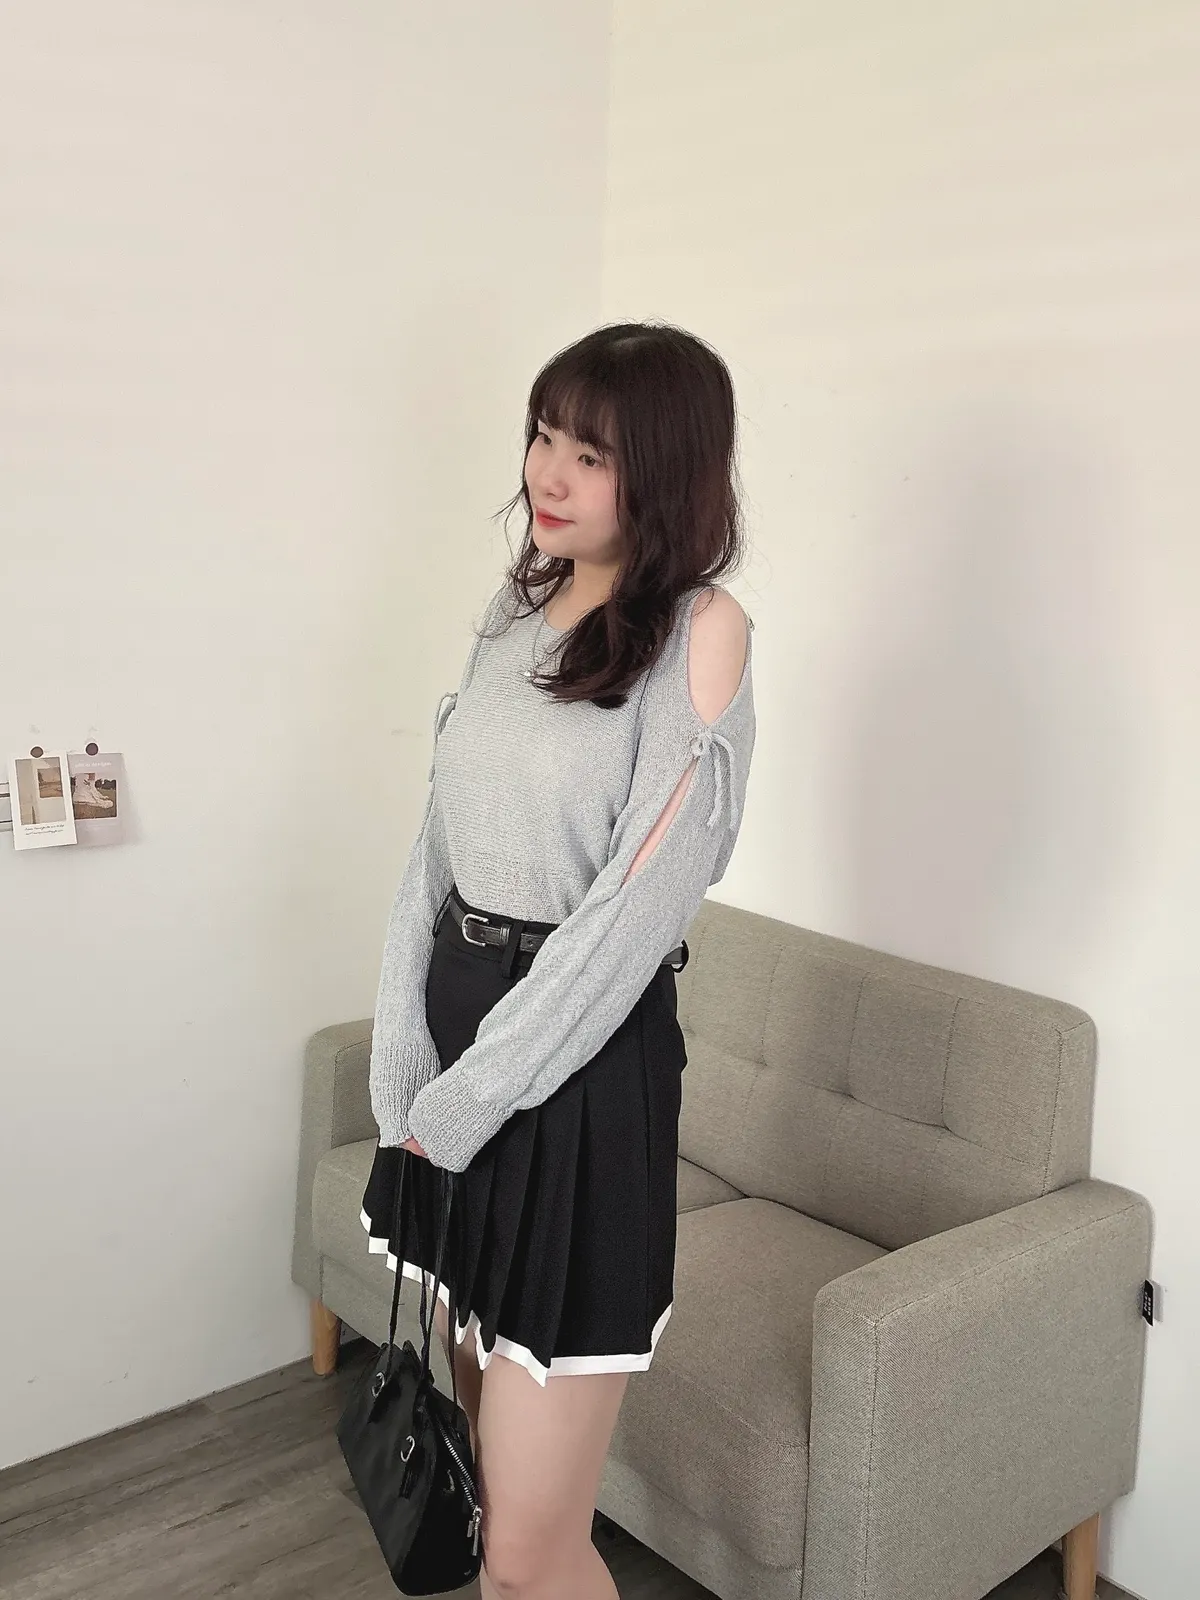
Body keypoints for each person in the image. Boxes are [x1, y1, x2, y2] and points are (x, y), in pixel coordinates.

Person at [359, 320, 757, 1600]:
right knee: (489, 1514)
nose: (550, 472)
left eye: (592, 453)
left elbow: (632, 915)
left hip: (574, 1077)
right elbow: (436, 846)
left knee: (534, 1547)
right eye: (544, 435)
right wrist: (402, 1049)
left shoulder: (701, 630)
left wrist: (468, 1097)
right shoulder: (517, 604)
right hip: (458, 1056)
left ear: (668, 469)